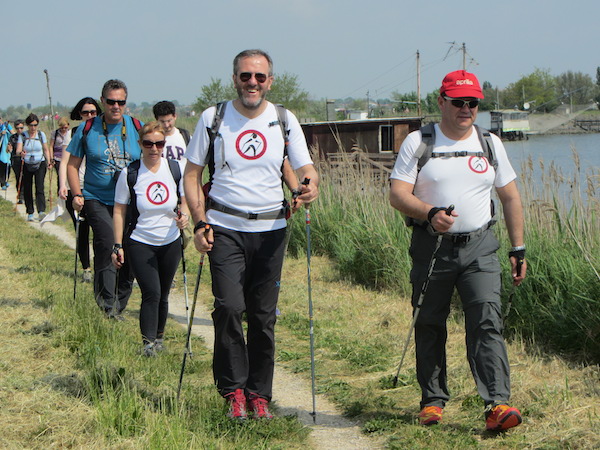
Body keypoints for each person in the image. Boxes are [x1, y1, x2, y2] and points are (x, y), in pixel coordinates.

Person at [184, 49, 319, 421]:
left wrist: (309, 186)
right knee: (229, 307)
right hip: (225, 227)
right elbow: (192, 174)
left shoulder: (283, 119)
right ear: (235, 79)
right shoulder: (214, 118)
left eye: (260, 77)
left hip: (272, 230)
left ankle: (259, 394)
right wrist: (199, 220)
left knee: (262, 316)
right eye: (246, 76)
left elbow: (305, 166)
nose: (253, 83)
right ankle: (233, 391)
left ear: (270, 81)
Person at [389, 70, 527, 432]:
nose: (466, 109)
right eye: (458, 101)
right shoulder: (419, 142)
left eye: (473, 102)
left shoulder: (490, 143)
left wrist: (518, 247)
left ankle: (498, 404)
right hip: (431, 246)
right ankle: (432, 401)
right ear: (441, 101)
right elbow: (398, 194)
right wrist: (429, 213)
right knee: (430, 323)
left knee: (486, 322)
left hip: (480, 247)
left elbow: (510, 197)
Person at [66, 80, 142, 320]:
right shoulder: (87, 128)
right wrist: (77, 193)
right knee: (108, 242)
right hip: (96, 197)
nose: (116, 106)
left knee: (130, 248)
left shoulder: (137, 127)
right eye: (111, 102)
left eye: (121, 102)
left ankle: (120, 301)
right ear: (103, 102)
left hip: (129, 201)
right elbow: (72, 165)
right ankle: (106, 304)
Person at [112, 121, 189, 356]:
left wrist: (184, 216)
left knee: (163, 293)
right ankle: (147, 344)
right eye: (148, 143)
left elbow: (185, 199)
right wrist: (117, 245)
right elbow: (119, 210)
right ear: (140, 144)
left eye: (159, 143)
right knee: (151, 292)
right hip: (140, 241)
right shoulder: (131, 173)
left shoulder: (175, 169)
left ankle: (159, 339)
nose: (154, 148)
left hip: (170, 241)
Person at [59, 97, 102, 283]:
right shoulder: (75, 133)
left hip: (98, 189)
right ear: (79, 114)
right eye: (86, 113)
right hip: (77, 187)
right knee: (82, 231)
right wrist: (63, 184)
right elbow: (65, 162)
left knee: (101, 231)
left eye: (93, 112)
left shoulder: (104, 131)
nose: (90, 116)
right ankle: (86, 268)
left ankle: (103, 268)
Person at [16, 113, 53, 221]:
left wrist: (49, 161)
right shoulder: (22, 136)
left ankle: (41, 211)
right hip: (27, 163)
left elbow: (45, 149)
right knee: (27, 188)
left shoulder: (41, 135)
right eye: (31, 125)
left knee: (39, 187)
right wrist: (20, 153)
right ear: (27, 125)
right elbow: (18, 150)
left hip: (40, 163)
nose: (33, 127)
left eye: (35, 125)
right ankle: (30, 212)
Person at [152, 100, 190, 170]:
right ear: (156, 120)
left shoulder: (186, 137)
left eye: (169, 121)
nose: (166, 125)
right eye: (162, 122)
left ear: (175, 116)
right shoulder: (153, 140)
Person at [49, 117, 71, 194]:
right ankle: (60, 192)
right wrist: (51, 158)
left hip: (68, 158)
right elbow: (51, 146)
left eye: (65, 127)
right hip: (58, 158)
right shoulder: (55, 133)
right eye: (62, 127)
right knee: (61, 176)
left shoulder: (71, 133)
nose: (64, 129)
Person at [8, 120, 25, 203]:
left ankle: (25, 195)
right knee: (19, 178)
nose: (19, 130)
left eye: (21, 128)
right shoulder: (12, 137)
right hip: (16, 159)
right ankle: (20, 196)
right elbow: (8, 149)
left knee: (26, 178)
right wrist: (8, 149)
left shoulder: (26, 136)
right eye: (17, 128)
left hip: (26, 160)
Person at [0, 116, 14, 190]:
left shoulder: (6, 125)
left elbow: (12, 133)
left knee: (7, 165)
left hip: (5, 148)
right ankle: (2, 183)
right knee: (1, 166)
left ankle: (5, 180)